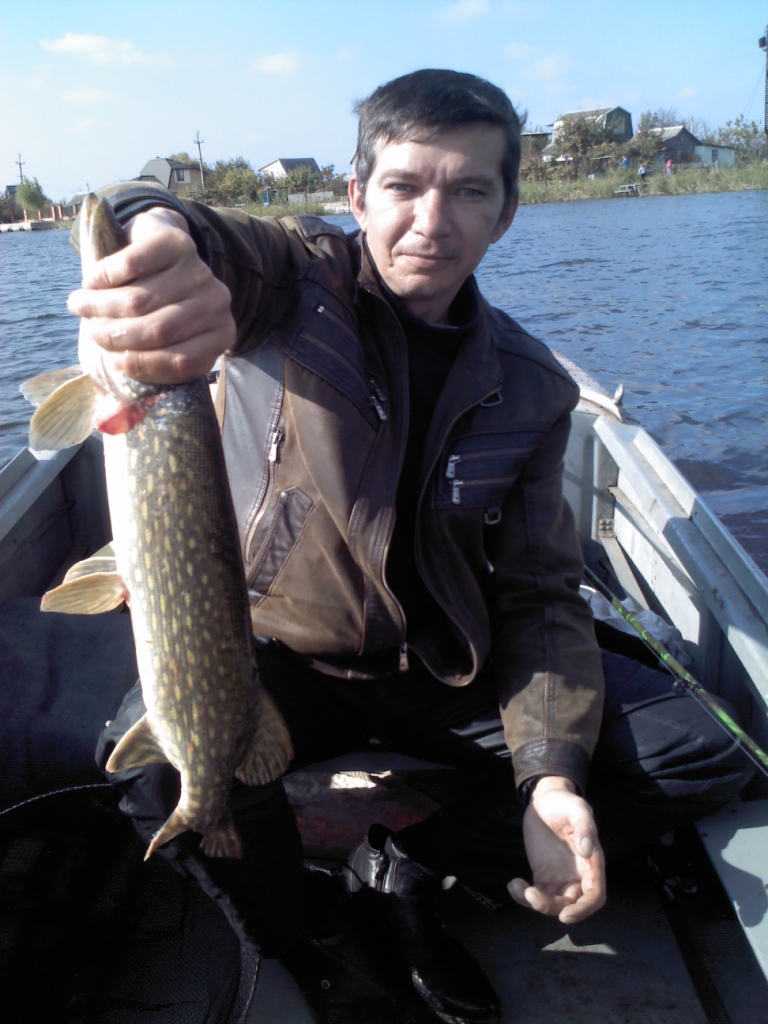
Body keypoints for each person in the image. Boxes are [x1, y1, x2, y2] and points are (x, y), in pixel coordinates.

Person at [69, 70, 750, 1024]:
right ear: (357, 196)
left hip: (440, 671)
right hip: (277, 657)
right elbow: (190, 231)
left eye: (469, 189)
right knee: (154, 769)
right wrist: (159, 237)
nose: (432, 220)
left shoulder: (533, 386)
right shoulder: (292, 285)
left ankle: (409, 866)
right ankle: (314, 929)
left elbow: (540, 594)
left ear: (506, 213)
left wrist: (552, 775)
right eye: (403, 185)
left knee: (703, 751)